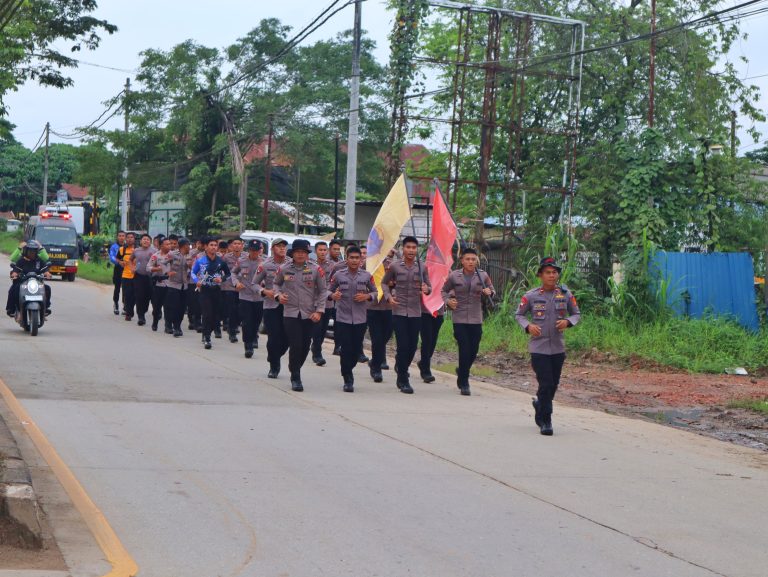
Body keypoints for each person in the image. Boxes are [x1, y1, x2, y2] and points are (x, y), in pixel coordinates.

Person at [515, 257, 580, 436]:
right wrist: (528, 326)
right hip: (539, 348)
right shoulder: (531, 295)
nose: (552, 276)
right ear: (540, 275)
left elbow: (576, 314)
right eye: (548, 273)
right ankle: (546, 420)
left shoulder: (565, 294)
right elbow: (519, 315)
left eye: (554, 272)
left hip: (558, 348)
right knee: (546, 383)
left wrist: (568, 322)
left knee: (553, 384)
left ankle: (540, 404)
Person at [273, 239, 327, 392]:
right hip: (290, 312)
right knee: (295, 344)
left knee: (305, 346)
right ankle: (296, 377)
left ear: (307, 254)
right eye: (298, 252)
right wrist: (278, 296)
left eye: (303, 252)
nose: (300, 255)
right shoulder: (284, 268)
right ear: (293, 254)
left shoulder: (316, 269)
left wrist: (319, 310)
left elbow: (323, 290)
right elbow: (276, 284)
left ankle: (294, 366)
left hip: (309, 313)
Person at [441, 248, 495, 396]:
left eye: (473, 259)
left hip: (476, 318)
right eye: (468, 259)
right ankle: (464, 382)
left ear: (477, 260)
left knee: (473, 350)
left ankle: (462, 370)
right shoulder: (454, 276)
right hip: (459, 318)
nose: (471, 262)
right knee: (464, 349)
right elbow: (443, 291)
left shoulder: (483, 276)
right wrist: (448, 301)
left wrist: (489, 293)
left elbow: (492, 290)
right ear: (462, 260)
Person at [382, 236, 431, 394]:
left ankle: (400, 364)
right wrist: (389, 297)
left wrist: (426, 289)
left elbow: (429, 287)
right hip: (399, 311)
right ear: (403, 249)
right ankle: (403, 379)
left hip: (416, 312)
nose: (411, 250)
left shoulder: (422, 268)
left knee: (412, 346)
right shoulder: (395, 266)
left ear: (417, 250)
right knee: (403, 345)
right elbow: (384, 282)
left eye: (414, 248)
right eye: (408, 247)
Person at [328, 246, 378, 392]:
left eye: (357, 258)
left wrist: (367, 296)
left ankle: (349, 367)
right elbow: (328, 290)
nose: (355, 260)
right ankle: (348, 378)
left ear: (361, 260)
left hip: (360, 318)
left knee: (356, 349)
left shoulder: (367, 276)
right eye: (352, 258)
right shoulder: (338, 275)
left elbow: (375, 292)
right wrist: (333, 296)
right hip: (342, 318)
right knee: (346, 349)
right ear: (347, 259)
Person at [253, 238, 291, 378]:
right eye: (279, 246)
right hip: (271, 306)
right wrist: (264, 292)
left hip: (289, 306)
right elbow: (254, 284)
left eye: (284, 246)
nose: (282, 249)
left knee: (287, 338)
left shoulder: (292, 264)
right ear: (272, 249)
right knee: (274, 337)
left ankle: (274, 355)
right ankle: (274, 366)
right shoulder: (265, 265)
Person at [191, 237, 231, 349]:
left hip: (216, 290)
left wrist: (221, 279)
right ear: (206, 247)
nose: (213, 247)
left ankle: (207, 331)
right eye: (211, 245)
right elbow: (193, 273)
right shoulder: (200, 260)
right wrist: (197, 281)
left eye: (215, 245)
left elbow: (228, 274)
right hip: (205, 290)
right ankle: (207, 337)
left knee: (215, 316)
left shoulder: (220, 261)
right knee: (207, 314)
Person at [233, 239, 264, 358]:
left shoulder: (264, 262)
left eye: (257, 251)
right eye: (252, 250)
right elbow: (233, 273)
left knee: (256, 321)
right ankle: (248, 345)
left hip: (259, 297)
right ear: (249, 250)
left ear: (260, 250)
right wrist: (236, 283)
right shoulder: (241, 261)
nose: (254, 253)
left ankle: (254, 336)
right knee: (247, 322)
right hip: (245, 296)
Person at [366, 252, 394, 383]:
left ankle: (374, 361)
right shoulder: (370, 263)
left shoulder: (393, 265)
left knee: (386, 336)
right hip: (373, 306)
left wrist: (393, 285)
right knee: (376, 339)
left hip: (389, 307)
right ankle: (376, 368)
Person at [6, 241, 52, 316]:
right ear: (26, 251)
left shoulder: (39, 260)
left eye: (34, 251)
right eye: (30, 250)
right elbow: (15, 269)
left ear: (36, 251)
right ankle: (12, 309)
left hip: (36, 282)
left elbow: (45, 269)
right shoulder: (21, 260)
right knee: (14, 289)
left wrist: (47, 273)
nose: (32, 252)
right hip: (22, 282)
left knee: (47, 288)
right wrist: (14, 274)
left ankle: (45, 308)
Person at [311, 241, 334, 366]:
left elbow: (333, 282)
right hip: (312, 301)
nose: (323, 252)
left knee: (323, 328)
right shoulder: (309, 265)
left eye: (325, 250)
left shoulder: (332, 266)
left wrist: (327, 292)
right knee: (316, 328)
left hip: (327, 301)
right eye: (320, 250)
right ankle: (317, 353)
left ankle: (316, 346)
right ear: (316, 251)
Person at [163, 237, 190, 337]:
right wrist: (167, 272)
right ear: (184, 246)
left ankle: (178, 326)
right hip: (173, 285)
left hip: (184, 285)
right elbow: (163, 263)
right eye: (188, 245)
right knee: (172, 306)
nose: (189, 247)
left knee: (182, 307)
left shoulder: (189, 256)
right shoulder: (172, 254)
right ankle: (169, 325)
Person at [131, 234, 156, 326]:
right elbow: (130, 260)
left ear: (150, 242)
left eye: (148, 239)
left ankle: (144, 310)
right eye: (144, 239)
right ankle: (141, 317)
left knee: (148, 296)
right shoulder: (136, 251)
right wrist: (132, 267)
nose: (146, 241)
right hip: (138, 276)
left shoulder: (154, 251)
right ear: (141, 241)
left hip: (150, 277)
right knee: (139, 296)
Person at [147, 237, 172, 332]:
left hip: (171, 284)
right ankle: (155, 322)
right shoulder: (155, 256)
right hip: (159, 284)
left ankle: (168, 326)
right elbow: (148, 267)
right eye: (167, 244)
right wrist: (156, 269)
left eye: (170, 244)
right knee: (157, 306)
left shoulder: (173, 255)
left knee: (169, 306)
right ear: (161, 245)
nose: (169, 246)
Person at [222, 238, 244, 343]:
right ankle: (232, 332)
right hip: (230, 287)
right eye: (235, 244)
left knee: (241, 311)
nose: (237, 246)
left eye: (239, 244)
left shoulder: (246, 257)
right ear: (232, 246)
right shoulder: (226, 257)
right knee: (232, 310)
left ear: (242, 245)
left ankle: (235, 326)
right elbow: (222, 270)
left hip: (243, 288)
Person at [118, 233, 136, 321]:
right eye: (128, 237)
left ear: (134, 239)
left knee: (134, 296)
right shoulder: (122, 249)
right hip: (125, 275)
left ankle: (130, 310)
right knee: (127, 295)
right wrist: (120, 262)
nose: (129, 239)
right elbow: (118, 258)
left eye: (131, 237)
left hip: (136, 276)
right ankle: (128, 313)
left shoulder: (137, 250)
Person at [109, 231, 126, 315]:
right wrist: (118, 262)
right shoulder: (114, 247)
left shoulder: (128, 247)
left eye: (123, 236)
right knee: (117, 287)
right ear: (117, 237)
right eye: (120, 236)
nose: (121, 237)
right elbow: (112, 257)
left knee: (126, 288)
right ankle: (116, 304)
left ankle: (125, 306)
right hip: (118, 269)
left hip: (127, 270)